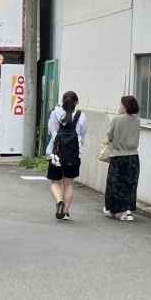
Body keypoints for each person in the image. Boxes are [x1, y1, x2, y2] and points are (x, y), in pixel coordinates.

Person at [46, 90, 86, 221]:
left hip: (56, 154)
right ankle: (66, 212)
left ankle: (59, 201)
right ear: (76, 103)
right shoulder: (81, 116)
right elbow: (83, 136)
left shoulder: (54, 113)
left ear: (63, 101)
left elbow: (52, 132)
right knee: (69, 184)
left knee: (55, 183)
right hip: (73, 155)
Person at [102, 95, 142, 221]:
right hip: (133, 156)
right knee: (130, 184)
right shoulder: (137, 121)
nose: (119, 107)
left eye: (120, 105)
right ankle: (127, 212)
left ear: (124, 107)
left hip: (118, 155)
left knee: (115, 184)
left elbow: (109, 135)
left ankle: (112, 209)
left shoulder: (117, 119)